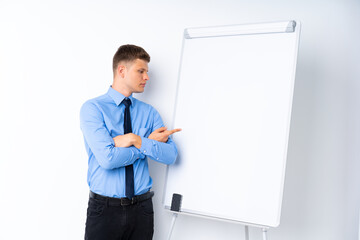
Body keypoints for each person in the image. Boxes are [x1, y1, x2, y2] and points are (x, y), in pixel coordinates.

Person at [80, 44, 181, 240]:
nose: (147, 77)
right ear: (121, 70)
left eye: (147, 72)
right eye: (141, 71)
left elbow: (171, 155)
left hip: (142, 211)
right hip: (104, 211)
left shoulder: (149, 113)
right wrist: (146, 145)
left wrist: (134, 140)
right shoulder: (93, 109)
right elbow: (107, 159)